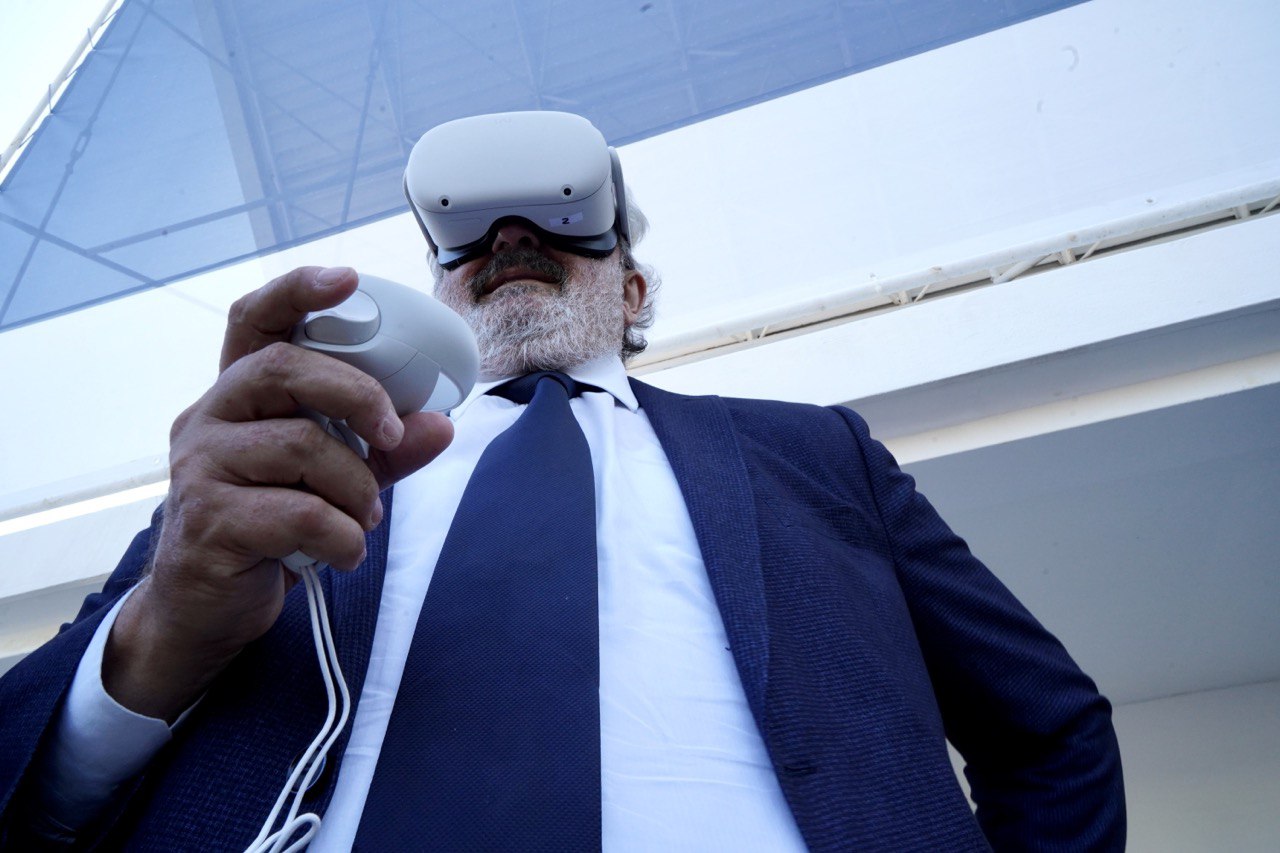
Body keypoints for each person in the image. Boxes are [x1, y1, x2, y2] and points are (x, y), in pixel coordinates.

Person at [0, 112, 1125, 851]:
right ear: (441, 294)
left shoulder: (815, 453)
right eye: (470, 243)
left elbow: (1051, 729)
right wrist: (160, 636)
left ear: (631, 292)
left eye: (562, 229)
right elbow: (26, 780)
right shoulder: (279, 469)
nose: (508, 241)